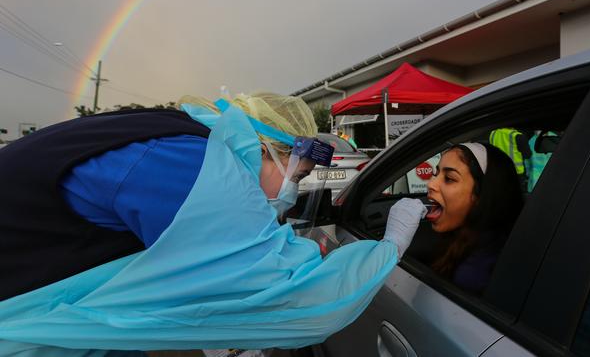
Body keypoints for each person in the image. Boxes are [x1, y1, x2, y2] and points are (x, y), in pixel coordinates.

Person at [0, 92, 426, 355]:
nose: (291, 191)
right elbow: (294, 297)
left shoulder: (178, 138)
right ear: (266, 148)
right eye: (295, 176)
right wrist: (389, 245)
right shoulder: (187, 165)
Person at [425, 142, 523, 295]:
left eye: (449, 178)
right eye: (436, 174)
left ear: (480, 195)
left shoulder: (475, 273)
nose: (431, 184)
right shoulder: (471, 239)